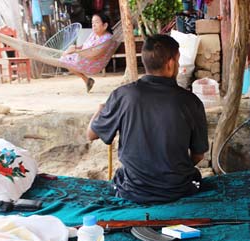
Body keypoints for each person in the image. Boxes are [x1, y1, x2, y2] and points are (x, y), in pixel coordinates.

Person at [86, 34, 209, 203]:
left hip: (133, 190)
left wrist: (99, 110)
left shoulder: (123, 95)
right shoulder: (191, 101)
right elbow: (198, 155)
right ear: (171, 64)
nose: (179, 65)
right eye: (178, 61)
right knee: (194, 178)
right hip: (178, 189)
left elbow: (91, 134)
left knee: (120, 177)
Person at [59, 13, 113, 93]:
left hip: (93, 64)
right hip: (84, 57)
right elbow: (84, 46)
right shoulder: (94, 34)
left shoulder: (106, 40)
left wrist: (75, 51)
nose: (93, 25)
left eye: (97, 22)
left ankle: (87, 80)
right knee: (64, 58)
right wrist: (76, 48)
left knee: (64, 60)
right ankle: (87, 80)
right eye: (92, 23)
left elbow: (94, 56)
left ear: (105, 25)